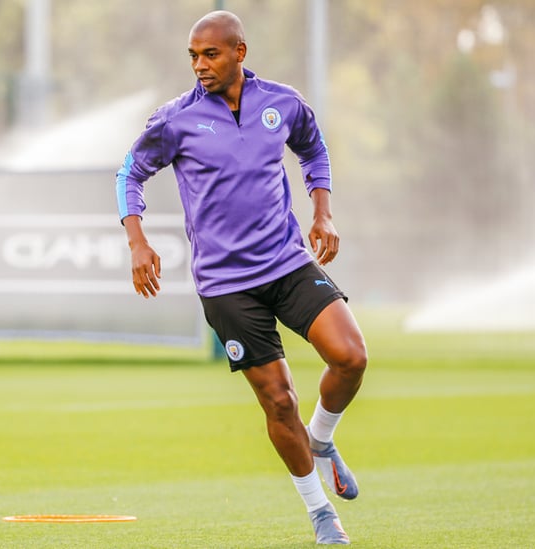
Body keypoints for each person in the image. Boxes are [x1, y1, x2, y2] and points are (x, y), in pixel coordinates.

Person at [115, 10, 367, 545]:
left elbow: (314, 150)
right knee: (279, 401)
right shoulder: (175, 119)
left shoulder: (282, 102)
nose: (199, 65)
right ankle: (322, 513)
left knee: (351, 357)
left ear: (239, 52)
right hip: (227, 286)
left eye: (210, 54)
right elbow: (129, 173)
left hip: (287, 262)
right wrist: (137, 241)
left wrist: (322, 213)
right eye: (192, 56)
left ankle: (321, 440)